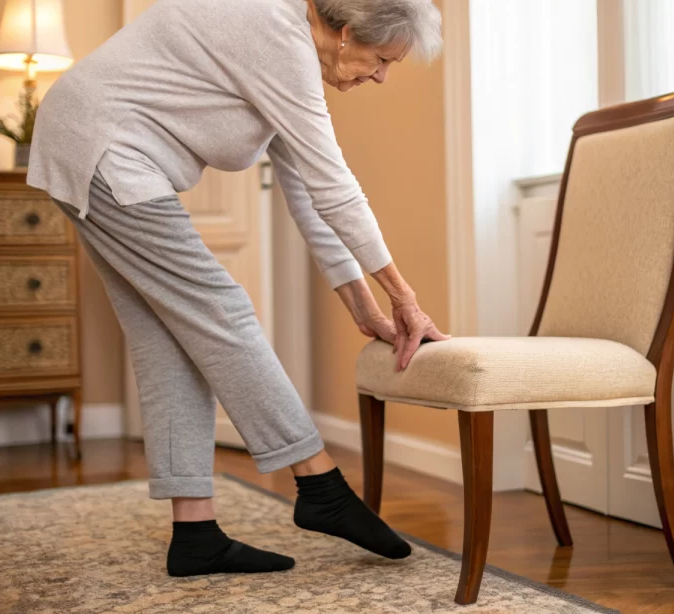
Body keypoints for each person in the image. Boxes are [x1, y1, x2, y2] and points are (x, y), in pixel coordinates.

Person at [28, 0, 447, 577]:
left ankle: (195, 534)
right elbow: (337, 189)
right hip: (103, 148)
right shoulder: (279, 37)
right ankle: (319, 484)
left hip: (88, 145)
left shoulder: (287, 53)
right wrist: (406, 298)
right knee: (222, 310)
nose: (381, 77)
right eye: (380, 60)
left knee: (169, 338)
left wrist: (364, 306)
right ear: (347, 33)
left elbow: (306, 192)